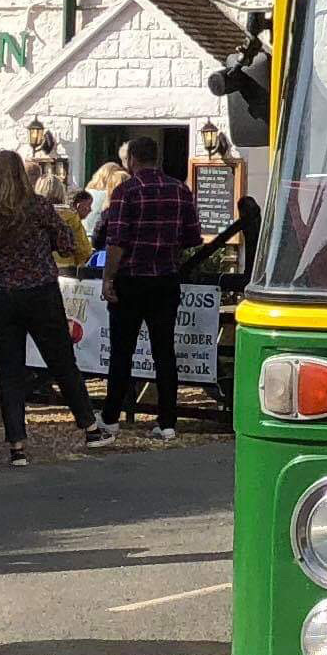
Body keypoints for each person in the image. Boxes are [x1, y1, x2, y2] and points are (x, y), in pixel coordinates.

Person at [0, 152, 106, 462]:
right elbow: (67, 244)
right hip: (40, 291)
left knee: (9, 369)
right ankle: (90, 427)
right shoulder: (37, 207)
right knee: (61, 360)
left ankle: (17, 445)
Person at [92, 135, 198, 440]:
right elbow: (191, 237)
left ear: (132, 160)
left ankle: (111, 417)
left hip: (131, 279)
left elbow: (117, 241)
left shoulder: (126, 191)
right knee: (164, 351)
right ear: (158, 158)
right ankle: (167, 421)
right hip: (165, 278)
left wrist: (108, 278)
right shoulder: (180, 190)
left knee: (121, 351)